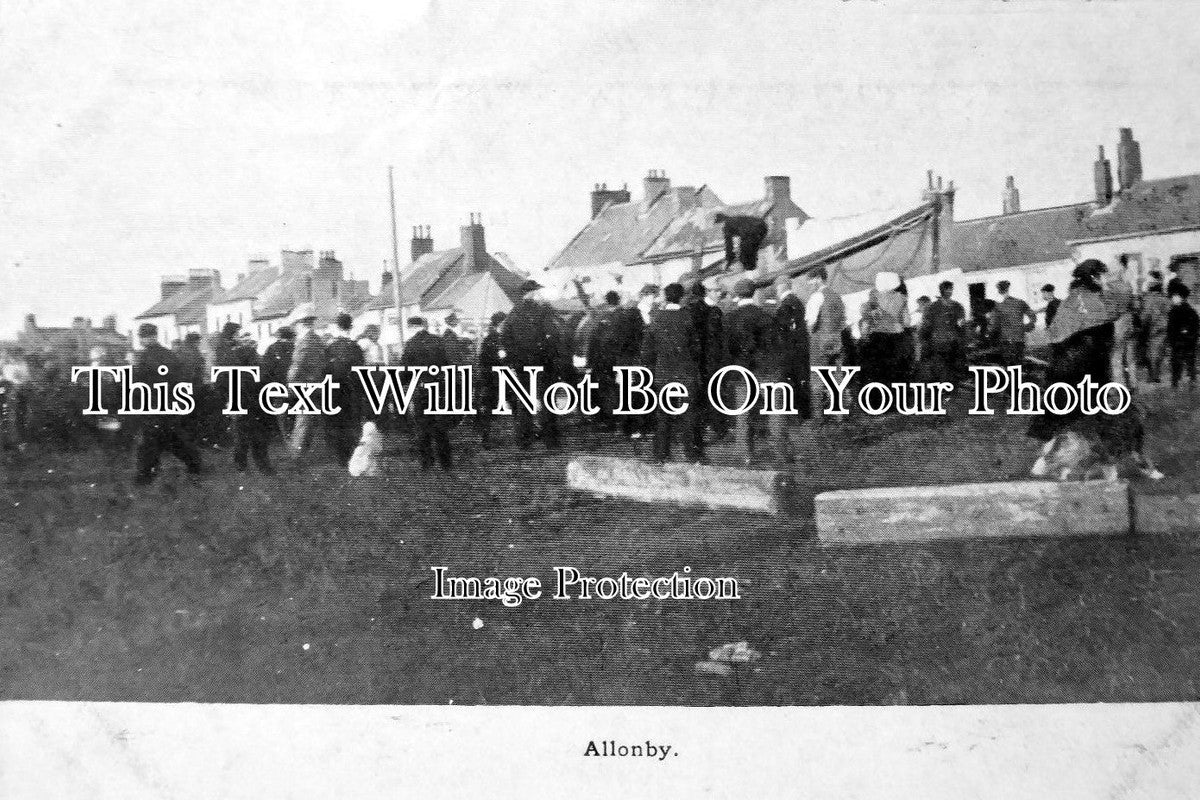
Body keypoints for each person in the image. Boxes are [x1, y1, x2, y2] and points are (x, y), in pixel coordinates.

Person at [1028, 260, 1113, 442]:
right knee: (1084, 419)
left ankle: (1049, 452)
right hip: (1082, 365)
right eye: (1104, 275)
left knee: (1063, 414)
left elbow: (1055, 335)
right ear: (1094, 277)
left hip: (1066, 364)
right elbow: (1099, 334)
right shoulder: (1089, 300)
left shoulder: (1073, 298)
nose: (1107, 279)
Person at [724, 279, 791, 466]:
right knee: (776, 412)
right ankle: (781, 453)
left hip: (742, 372)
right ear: (753, 293)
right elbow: (776, 344)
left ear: (737, 295)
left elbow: (728, 349)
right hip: (767, 371)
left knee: (743, 414)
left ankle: (744, 455)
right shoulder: (766, 315)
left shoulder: (728, 318)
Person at [130, 323, 203, 484]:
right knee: (174, 439)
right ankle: (194, 465)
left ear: (142, 338)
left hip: (152, 406)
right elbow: (181, 380)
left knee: (150, 443)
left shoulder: (143, 358)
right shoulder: (170, 355)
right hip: (170, 405)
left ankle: (144, 478)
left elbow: (137, 385)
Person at [641, 282, 702, 463]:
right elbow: (696, 348)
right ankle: (692, 455)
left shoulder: (656, 318)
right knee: (689, 416)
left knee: (663, 417)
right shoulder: (688, 317)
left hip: (663, 373)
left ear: (665, 297)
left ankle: (661, 455)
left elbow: (647, 351)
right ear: (682, 297)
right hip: (686, 372)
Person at [501, 279, 562, 450]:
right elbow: (553, 335)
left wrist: (515, 358)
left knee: (524, 403)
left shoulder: (513, 313)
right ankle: (550, 440)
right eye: (537, 291)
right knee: (547, 401)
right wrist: (550, 355)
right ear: (533, 293)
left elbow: (505, 339)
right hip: (542, 363)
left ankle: (523, 440)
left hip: (522, 365)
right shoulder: (542, 311)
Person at [217, 329, 274, 474]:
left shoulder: (229, 356)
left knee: (242, 435)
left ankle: (241, 465)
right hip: (254, 400)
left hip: (239, 399)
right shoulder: (254, 357)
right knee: (256, 435)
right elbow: (265, 378)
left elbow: (221, 381)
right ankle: (262, 465)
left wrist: (226, 398)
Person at [402, 317, 453, 471]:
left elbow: (405, 371)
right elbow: (446, 364)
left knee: (423, 428)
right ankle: (446, 463)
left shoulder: (410, 344)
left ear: (412, 327)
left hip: (421, 390)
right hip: (438, 388)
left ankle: (427, 463)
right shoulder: (438, 341)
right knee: (440, 426)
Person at [683, 276, 729, 446]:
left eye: (719, 291)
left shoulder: (713, 309)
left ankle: (716, 427)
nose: (719, 294)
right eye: (716, 291)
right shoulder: (701, 310)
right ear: (707, 292)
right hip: (704, 360)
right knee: (707, 394)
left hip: (711, 360)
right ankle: (712, 428)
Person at [286, 303, 326, 462]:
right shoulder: (316, 339)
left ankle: (297, 456)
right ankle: (302, 453)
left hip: (305, 386)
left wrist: (290, 384)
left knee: (304, 422)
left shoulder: (306, 342)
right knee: (309, 421)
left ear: (300, 323)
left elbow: (297, 366)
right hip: (315, 384)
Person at [324, 313, 365, 467]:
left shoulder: (329, 347)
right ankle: (352, 454)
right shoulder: (355, 347)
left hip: (334, 391)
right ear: (351, 327)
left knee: (337, 423)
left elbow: (325, 370)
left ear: (336, 327)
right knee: (352, 422)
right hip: (352, 390)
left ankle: (341, 457)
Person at [806, 267, 847, 417]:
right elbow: (843, 322)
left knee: (817, 377)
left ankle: (818, 417)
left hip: (820, 341)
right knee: (838, 378)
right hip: (837, 340)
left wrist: (813, 336)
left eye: (810, 281)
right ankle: (839, 416)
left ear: (817, 278)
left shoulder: (816, 297)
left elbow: (811, 323)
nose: (809, 284)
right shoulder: (837, 296)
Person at [773, 275, 811, 422]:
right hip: (801, 347)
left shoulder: (785, 305)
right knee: (802, 379)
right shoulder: (798, 301)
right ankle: (805, 413)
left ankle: (800, 415)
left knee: (793, 381)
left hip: (790, 350)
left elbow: (782, 330)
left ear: (779, 287)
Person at [922, 281, 967, 383]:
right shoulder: (956, 306)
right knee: (946, 368)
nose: (949, 291)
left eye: (950, 289)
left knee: (944, 368)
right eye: (948, 289)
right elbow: (962, 326)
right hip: (945, 342)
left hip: (944, 342)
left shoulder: (933, 307)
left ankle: (945, 388)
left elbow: (926, 326)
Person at [476, 312, 506, 449]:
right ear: (499, 324)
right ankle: (487, 438)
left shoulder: (494, 338)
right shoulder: (494, 340)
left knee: (492, 409)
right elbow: (491, 360)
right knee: (490, 409)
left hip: (494, 379)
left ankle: (490, 437)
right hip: (494, 379)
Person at [993, 280, 1036, 367]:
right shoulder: (1020, 302)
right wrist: (1028, 326)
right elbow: (1032, 316)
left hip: (1006, 339)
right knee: (1018, 361)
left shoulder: (997, 306)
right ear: (1008, 289)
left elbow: (995, 325)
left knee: (1008, 363)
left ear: (999, 291)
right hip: (1019, 338)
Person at [1141, 272, 1171, 384]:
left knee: (1152, 353)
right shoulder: (1165, 298)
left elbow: (1145, 315)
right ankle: (1155, 375)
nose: (1147, 282)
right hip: (1162, 328)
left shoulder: (1149, 298)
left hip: (1153, 328)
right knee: (1158, 353)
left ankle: (1153, 376)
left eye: (1150, 280)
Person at [1167, 284, 1198, 388]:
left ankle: (1179, 384)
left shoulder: (1179, 311)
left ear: (1181, 297)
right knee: (1186, 364)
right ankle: (1187, 383)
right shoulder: (1189, 311)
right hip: (1184, 343)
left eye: (1174, 296)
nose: (1172, 299)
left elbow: (1171, 329)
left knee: (1180, 365)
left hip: (1181, 343)